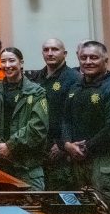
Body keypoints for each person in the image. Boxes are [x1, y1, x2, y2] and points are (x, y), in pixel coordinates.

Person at [61, 40, 110, 214]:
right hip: (78, 162)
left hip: (106, 163)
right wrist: (67, 144)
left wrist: (85, 148)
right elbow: (65, 119)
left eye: (94, 57)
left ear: (105, 59)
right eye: (83, 58)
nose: (88, 62)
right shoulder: (76, 87)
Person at [0, 47, 49, 188]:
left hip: (27, 167)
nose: (7, 65)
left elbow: (38, 127)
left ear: (21, 63)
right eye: (3, 61)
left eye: (11, 61)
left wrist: (10, 145)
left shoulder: (36, 92)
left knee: (32, 207)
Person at [28, 37, 82, 189]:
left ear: (64, 53)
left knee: (60, 192)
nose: (50, 53)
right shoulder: (36, 78)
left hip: (61, 147)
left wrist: (62, 144)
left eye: (55, 49)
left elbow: (75, 117)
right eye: (46, 50)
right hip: (39, 145)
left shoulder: (74, 78)